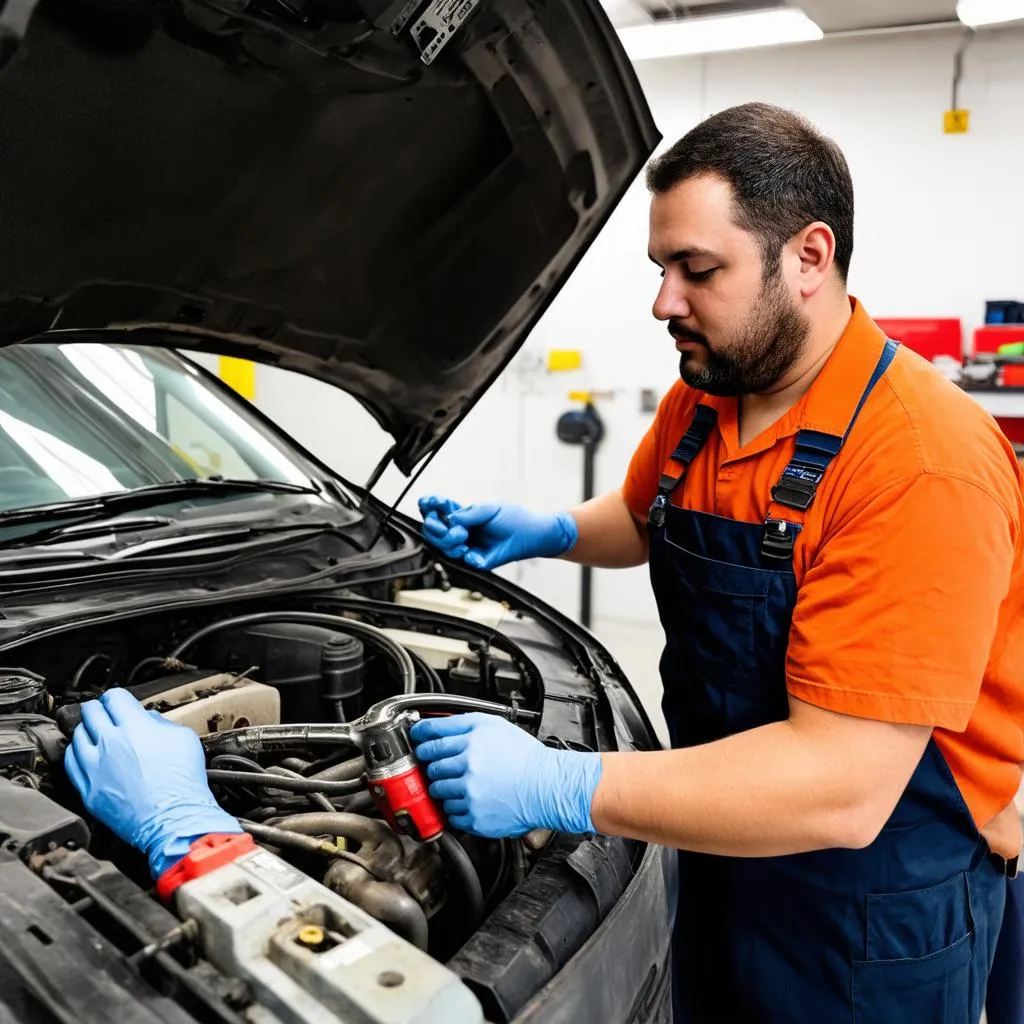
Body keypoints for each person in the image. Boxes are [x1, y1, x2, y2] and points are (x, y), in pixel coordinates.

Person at [65, 104, 1024, 1023]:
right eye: (660, 268)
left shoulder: (919, 463)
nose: (664, 302)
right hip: (715, 833)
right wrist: (548, 531)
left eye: (696, 269)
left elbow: (845, 787)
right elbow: (647, 514)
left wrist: (565, 784)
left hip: (867, 907)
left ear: (809, 257)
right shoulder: (713, 395)